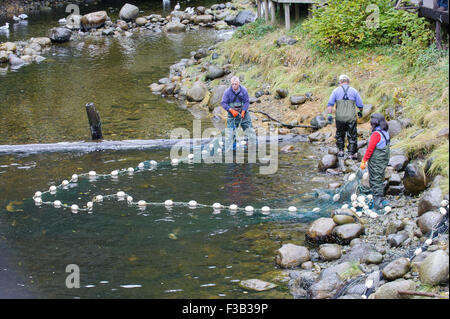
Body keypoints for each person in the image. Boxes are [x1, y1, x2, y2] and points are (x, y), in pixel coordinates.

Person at [327, 74, 364, 159]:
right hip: (351, 117)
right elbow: (360, 105)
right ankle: (351, 153)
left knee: (340, 134)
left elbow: (330, 105)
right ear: (348, 81)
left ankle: (340, 151)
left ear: (340, 82)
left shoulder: (335, 91)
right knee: (352, 135)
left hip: (340, 117)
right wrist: (360, 112)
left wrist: (329, 115)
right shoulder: (354, 91)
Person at [360, 113, 390, 210]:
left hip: (376, 160)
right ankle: (381, 199)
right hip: (384, 160)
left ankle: (377, 203)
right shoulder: (385, 132)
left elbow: (370, 149)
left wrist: (364, 160)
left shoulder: (376, 134)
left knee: (375, 180)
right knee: (380, 177)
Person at [221, 76, 254, 150]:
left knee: (249, 130)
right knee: (231, 132)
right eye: (232, 84)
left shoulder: (244, 90)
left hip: (243, 114)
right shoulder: (227, 92)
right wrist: (231, 110)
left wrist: (243, 111)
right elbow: (223, 103)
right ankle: (233, 147)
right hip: (232, 115)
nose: (234, 85)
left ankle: (251, 145)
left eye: (235, 84)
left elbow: (246, 102)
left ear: (239, 83)